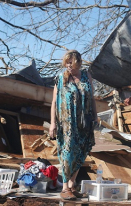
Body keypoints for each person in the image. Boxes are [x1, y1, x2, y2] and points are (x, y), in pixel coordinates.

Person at [49, 50, 97, 200]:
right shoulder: (60, 78)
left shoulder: (86, 76)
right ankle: (64, 187)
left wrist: (95, 115)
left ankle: (72, 184)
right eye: (66, 63)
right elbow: (54, 102)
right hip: (67, 123)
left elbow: (92, 98)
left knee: (82, 151)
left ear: (78, 62)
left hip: (84, 121)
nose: (68, 66)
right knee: (68, 153)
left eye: (71, 62)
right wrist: (52, 123)